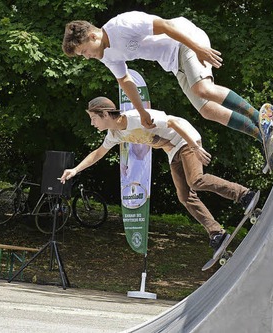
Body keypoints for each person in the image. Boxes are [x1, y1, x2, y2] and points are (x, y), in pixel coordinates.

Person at [59, 97, 258, 256]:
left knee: (196, 181)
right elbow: (98, 153)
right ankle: (217, 233)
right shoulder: (114, 134)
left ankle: (243, 195)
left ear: (105, 114)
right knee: (185, 196)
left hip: (186, 139)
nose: (92, 123)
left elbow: (171, 121)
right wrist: (75, 169)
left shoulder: (137, 117)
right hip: (173, 151)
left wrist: (195, 146)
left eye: (93, 118)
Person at [62, 11, 262, 142]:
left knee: (203, 89)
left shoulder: (121, 25)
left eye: (85, 51)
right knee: (207, 110)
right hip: (174, 63)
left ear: (93, 36)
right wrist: (141, 112)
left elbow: (165, 26)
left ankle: (259, 119)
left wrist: (198, 48)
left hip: (186, 41)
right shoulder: (106, 56)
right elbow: (125, 81)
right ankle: (261, 135)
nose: (87, 57)